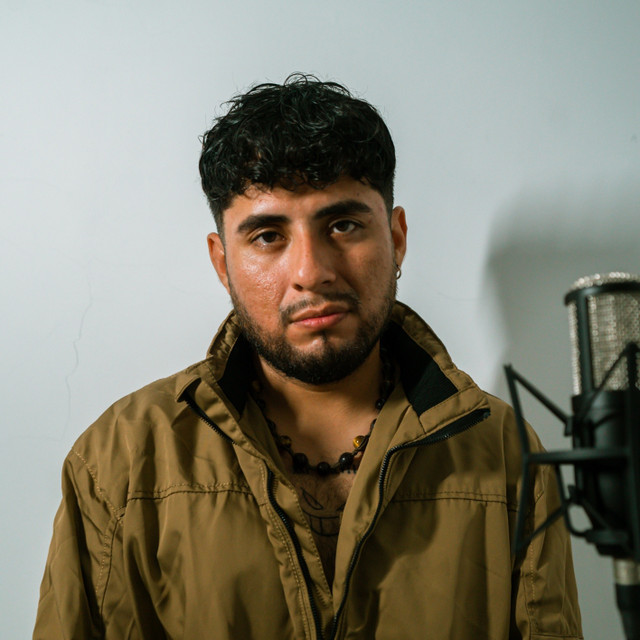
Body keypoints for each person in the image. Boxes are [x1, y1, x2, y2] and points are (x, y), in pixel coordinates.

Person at [33, 74, 582, 640]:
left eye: (343, 225)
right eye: (268, 236)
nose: (311, 272)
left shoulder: (508, 456)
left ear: (396, 238)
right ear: (222, 264)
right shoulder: (120, 461)